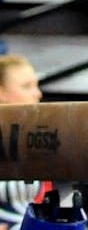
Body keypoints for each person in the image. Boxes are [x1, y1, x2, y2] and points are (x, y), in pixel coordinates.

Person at [0, 54, 56, 230]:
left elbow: (47, 200)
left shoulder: (36, 138)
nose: (37, 93)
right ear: (1, 93)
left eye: (36, 85)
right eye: (27, 86)